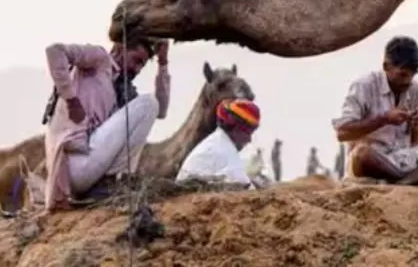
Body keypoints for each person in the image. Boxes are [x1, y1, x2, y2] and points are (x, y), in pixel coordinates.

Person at [42, 38, 170, 212]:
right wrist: (71, 99)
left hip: (88, 172)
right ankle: (115, 182)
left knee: (150, 106)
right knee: (148, 103)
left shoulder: (122, 89)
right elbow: (54, 51)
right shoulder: (99, 59)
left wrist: (163, 63)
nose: (137, 69)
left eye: (143, 65)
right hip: (73, 166)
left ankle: (111, 185)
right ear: (120, 48)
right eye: (136, 60)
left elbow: (160, 111)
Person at [332, 36, 418, 185]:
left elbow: (415, 143)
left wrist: (416, 127)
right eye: (402, 74)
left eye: (412, 75)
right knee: (361, 154)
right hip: (375, 159)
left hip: (404, 159)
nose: (407, 81)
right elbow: (342, 133)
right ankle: (417, 179)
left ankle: (405, 182)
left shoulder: (414, 90)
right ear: (386, 66)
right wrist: (384, 119)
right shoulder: (364, 86)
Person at [176, 99, 263, 188]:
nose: (249, 139)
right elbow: (246, 187)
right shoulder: (223, 150)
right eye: (247, 132)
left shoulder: (217, 141)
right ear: (235, 128)